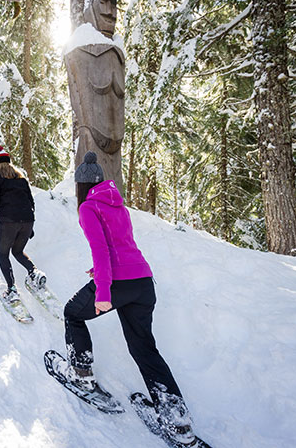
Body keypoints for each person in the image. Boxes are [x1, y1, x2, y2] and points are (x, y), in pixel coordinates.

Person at [57, 151, 194, 445]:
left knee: (72, 312)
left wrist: (104, 292)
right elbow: (121, 246)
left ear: (81, 186)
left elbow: (102, 250)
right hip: (143, 282)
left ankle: (81, 372)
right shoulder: (118, 205)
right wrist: (99, 272)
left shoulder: (88, 208)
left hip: (119, 284)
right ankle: (177, 420)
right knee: (144, 348)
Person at [0, 146, 46, 303]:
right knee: (17, 251)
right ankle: (34, 272)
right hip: (27, 220)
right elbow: (30, 201)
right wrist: (30, 225)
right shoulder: (21, 179)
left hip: (9, 222)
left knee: (3, 255)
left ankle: (11, 289)